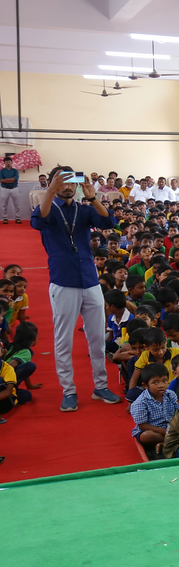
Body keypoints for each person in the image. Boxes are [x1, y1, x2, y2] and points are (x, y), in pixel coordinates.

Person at [31, 166, 121, 412]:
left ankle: (100, 386)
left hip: (90, 280)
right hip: (63, 281)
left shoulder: (84, 209)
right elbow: (38, 222)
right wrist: (49, 191)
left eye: (72, 181)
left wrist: (92, 196)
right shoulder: (48, 208)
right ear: (53, 184)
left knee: (96, 338)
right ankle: (69, 390)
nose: (68, 186)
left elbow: (107, 221)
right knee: (63, 341)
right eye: (62, 181)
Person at [1, 156, 21, 224]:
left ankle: (17, 218)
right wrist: (11, 180)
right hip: (5, 189)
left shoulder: (15, 171)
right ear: (4, 163)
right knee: (4, 205)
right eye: (6, 162)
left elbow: (15, 179)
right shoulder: (2, 171)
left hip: (14, 189)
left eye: (9, 162)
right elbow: (1, 180)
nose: (8, 163)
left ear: (11, 163)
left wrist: (6, 179)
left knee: (17, 204)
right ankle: (5, 218)